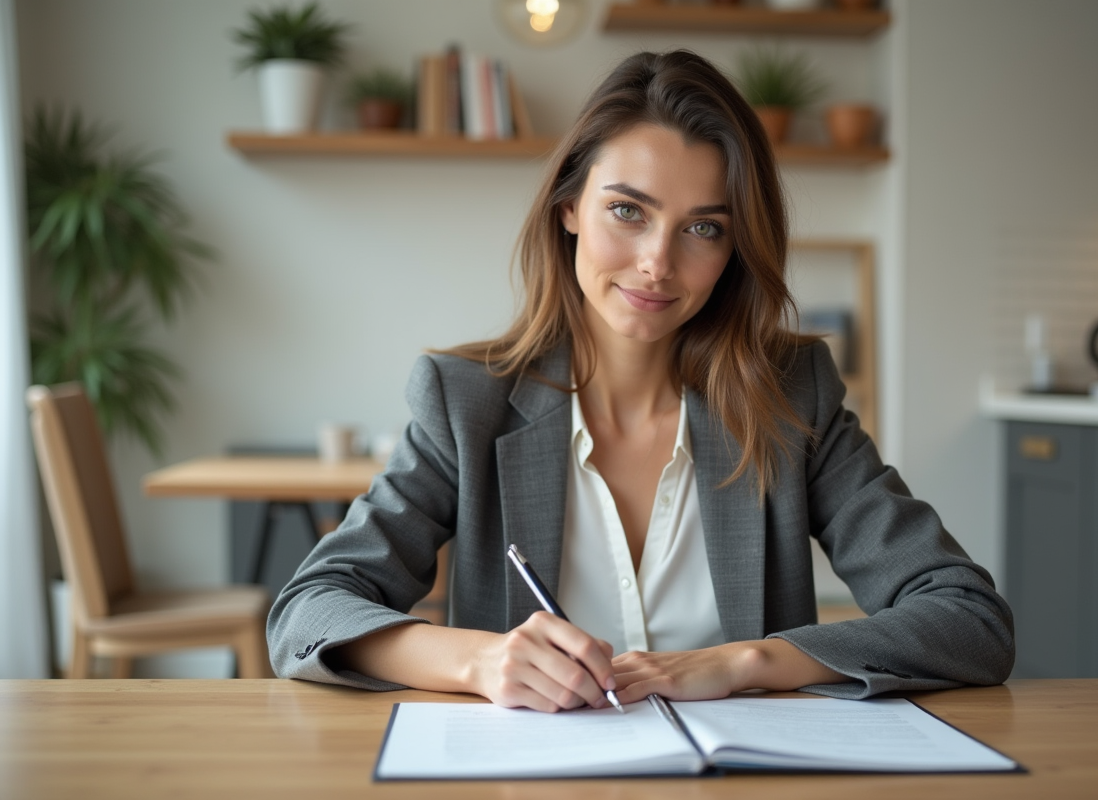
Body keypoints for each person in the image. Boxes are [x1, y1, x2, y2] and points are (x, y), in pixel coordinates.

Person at [267, 50, 1014, 712]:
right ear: (569, 209)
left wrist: (747, 663)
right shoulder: (468, 400)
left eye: (703, 228)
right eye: (628, 210)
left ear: (734, 248)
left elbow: (969, 620)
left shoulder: (791, 395)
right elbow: (308, 611)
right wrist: (479, 661)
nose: (658, 262)